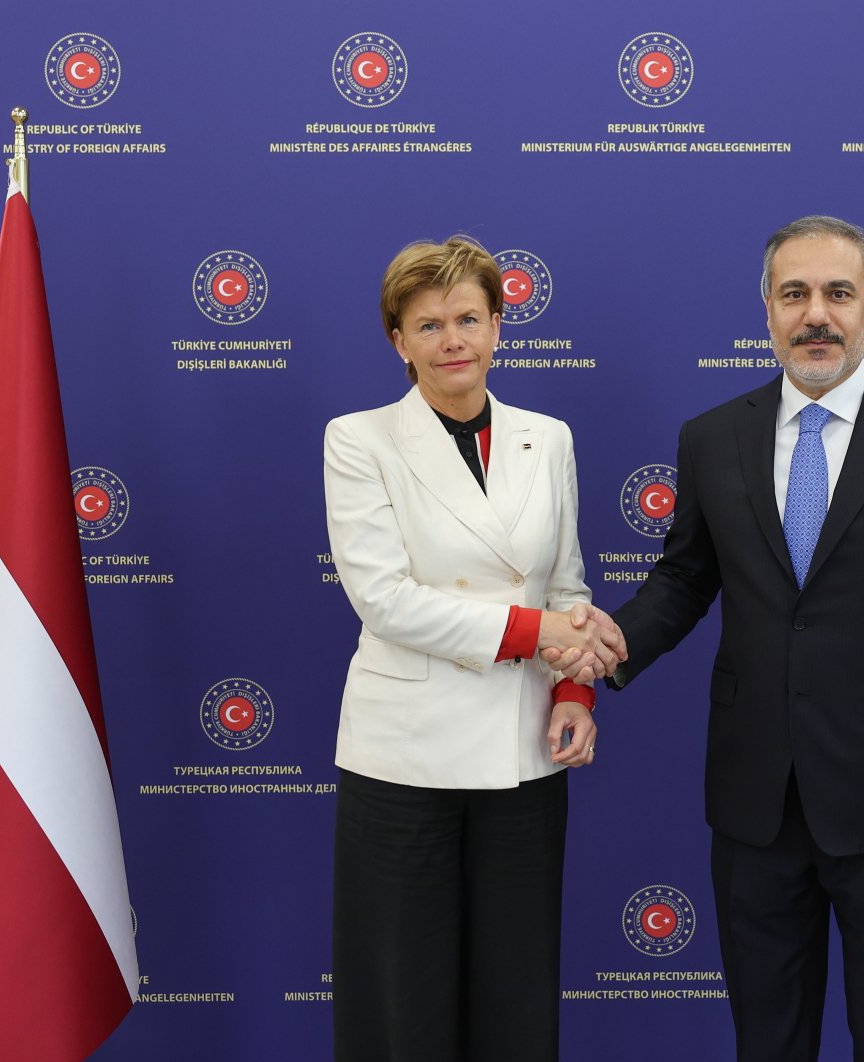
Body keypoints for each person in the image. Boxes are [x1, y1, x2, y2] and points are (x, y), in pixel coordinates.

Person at [566, 215, 864, 1060]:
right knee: (766, 1041)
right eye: (795, 293)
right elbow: (686, 578)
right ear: (766, 309)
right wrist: (607, 645)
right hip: (754, 797)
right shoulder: (711, 438)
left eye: (838, 293)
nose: (817, 314)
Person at [323, 236, 623, 1062]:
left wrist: (575, 694)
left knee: (515, 996)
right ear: (399, 341)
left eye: (467, 318)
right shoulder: (358, 440)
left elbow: (567, 583)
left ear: (498, 326)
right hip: (404, 760)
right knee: (403, 999)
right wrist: (535, 634)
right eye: (428, 325)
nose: (451, 339)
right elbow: (384, 601)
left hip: (522, 751)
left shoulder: (548, 437)